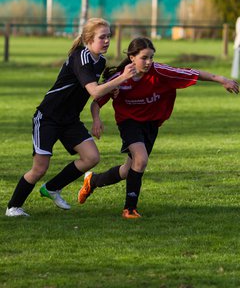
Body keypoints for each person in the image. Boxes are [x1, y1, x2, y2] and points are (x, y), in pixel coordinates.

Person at [78, 37, 239, 219]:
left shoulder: (161, 72)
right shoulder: (120, 78)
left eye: (151, 57)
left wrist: (222, 79)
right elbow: (97, 102)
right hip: (128, 122)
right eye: (144, 58)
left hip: (151, 125)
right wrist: (96, 119)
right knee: (141, 159)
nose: (149, 62)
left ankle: (93, 180)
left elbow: (192, 73)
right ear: (132, 58)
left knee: (127, 169)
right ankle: (129, 209)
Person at [5, 18, 137, 217]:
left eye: (109, 36)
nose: (108, 40)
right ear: (89, 39)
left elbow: (97, 91)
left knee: (91, 157)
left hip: (69, 120)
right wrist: (122, 78)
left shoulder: (100, 62)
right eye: (103, 37)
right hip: (48, 117)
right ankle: (13, 207)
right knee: (40, 167)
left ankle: (52, 188)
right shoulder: (81, 57)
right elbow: (94, 91)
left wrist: (112, 91)